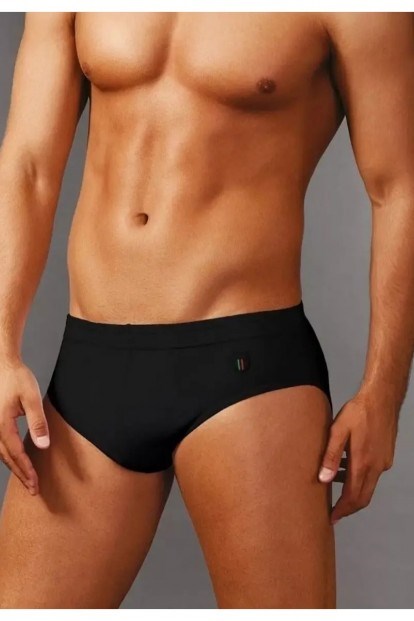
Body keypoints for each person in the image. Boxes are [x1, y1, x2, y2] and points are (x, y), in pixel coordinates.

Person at [0, 11, 413, 609]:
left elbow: (398, 187)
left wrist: (383, 395)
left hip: (247, 369)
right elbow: (28, 165)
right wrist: (2, 346)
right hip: (92, 364)